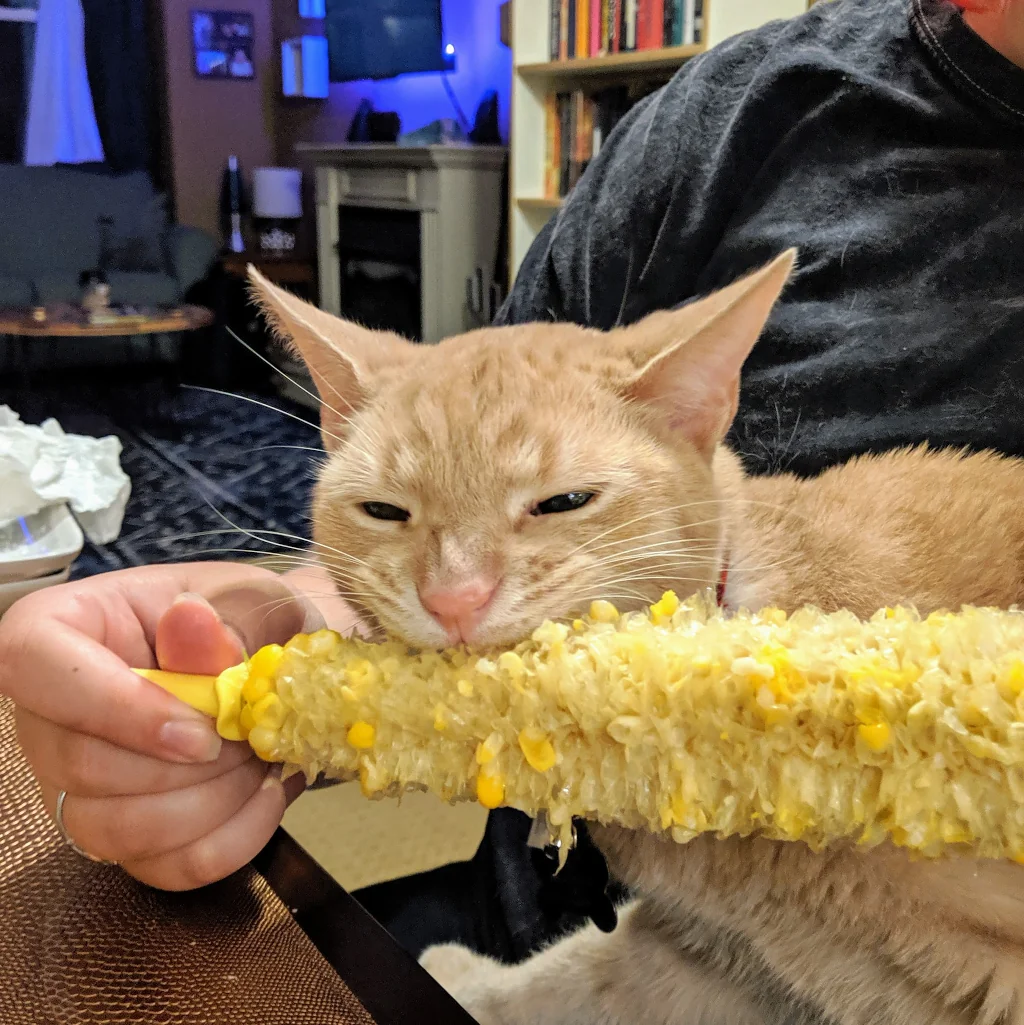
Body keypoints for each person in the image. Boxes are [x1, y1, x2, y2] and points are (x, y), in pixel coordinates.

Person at [2, 0, 1023, 963]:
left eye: (563, 500)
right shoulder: (741, 116)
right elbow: (469, 433)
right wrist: (294, 615)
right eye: (385, 509)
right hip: (562, 907)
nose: (454, 597)